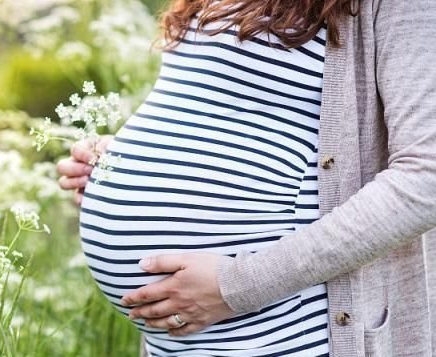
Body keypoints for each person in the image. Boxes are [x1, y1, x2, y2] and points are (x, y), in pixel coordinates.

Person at [56, 0, 436, 356]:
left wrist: (236, 286)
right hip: (178, 338)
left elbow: (425, 178)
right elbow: (222, 108)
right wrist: (120, 163)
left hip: (289, 327)